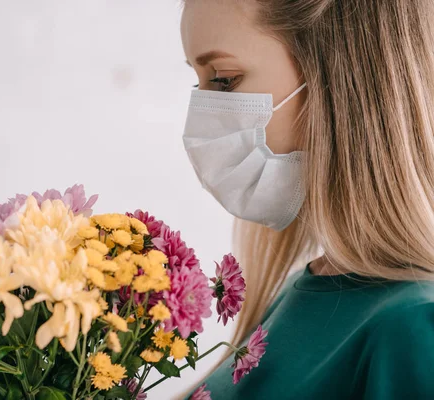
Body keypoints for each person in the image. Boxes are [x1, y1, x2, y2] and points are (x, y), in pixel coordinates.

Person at [180, 0, 434, 398]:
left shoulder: (413, 332)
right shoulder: (303, 290)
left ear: (344, 76)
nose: (202, 115)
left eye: (225, 79)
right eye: (199, 82)